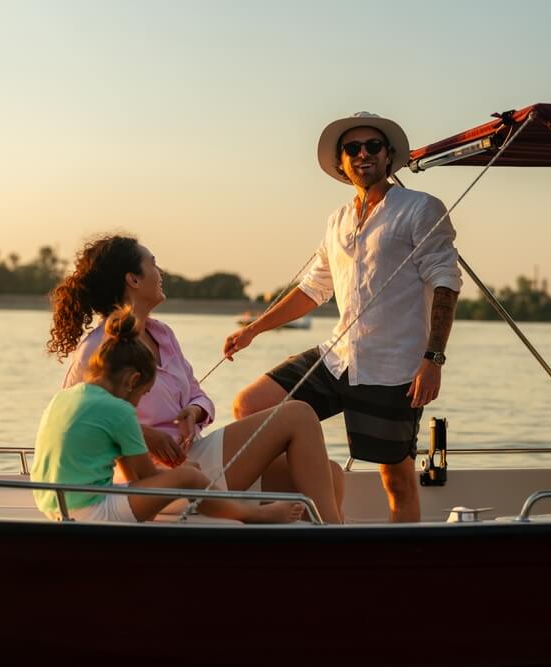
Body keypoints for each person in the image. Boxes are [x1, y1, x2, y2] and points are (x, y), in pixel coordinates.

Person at [224, 111, 462, 523]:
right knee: (251, 406)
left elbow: (446, 281)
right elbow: (312, 289)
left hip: (394, 368)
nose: (363, 154)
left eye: (373, 146)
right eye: (353, 149)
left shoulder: (420, 208)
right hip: (338, 357)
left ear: (389, 156)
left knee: (397, 480)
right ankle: (320, 506)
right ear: (341, 163)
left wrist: (434, 358)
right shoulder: (338, 220)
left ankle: (399, 570)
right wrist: (254, 330)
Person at [47, 234, 344, 523]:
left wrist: (195, 411)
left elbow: (197, 393)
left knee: (331, 474)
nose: (160, 272)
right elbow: (80, 419)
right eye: (152, 264)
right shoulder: (96, 350)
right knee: (298, 415)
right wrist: (149, 436)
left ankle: (311, 552)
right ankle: (336, 540)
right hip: (155, 479)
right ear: (133, 279)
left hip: (198, 453)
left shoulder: (162, 334)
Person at [32, 306, 321, 523]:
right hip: (92, 511)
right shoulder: (118, 410)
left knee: (187, 475)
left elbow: (133, 473)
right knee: (190, 479)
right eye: (142, 394)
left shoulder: (66, 397)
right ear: (132, 381)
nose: (138, 402)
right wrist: (186, 475)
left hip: (54, 507)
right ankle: (253, 516)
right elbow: (145, 478)